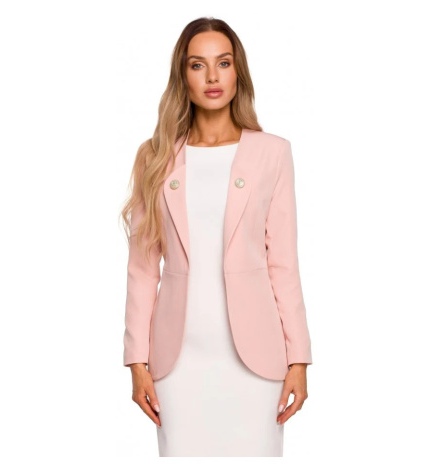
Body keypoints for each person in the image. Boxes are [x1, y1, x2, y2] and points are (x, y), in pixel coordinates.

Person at [120, 17, 313, 457]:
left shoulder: (272, 153)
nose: (212, 77)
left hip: (257, 361)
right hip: (177, 361)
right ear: (182, 75)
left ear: (237, 71)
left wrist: (299, 358)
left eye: (223, 63)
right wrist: (136, 360)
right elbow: (142, 269)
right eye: (197, 65)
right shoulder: (155, 157)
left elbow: (284, 264)